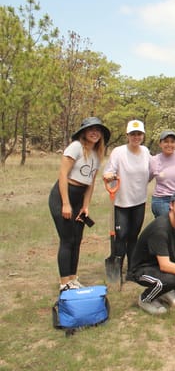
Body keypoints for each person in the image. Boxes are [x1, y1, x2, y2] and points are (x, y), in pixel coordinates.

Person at [49, 117, 110, 291]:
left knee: (77, 240)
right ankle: (64, 283)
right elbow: (63, 175)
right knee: (67, 239)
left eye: (98, 130)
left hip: (79, 200)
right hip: (62, 197)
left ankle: (73, 279)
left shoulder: (97, 154)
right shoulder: (75, 147)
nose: (95, 132)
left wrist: (85, 206)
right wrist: (66, 204)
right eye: (91, 129)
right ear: (83, 132)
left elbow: (90, 183)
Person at [103, 120, 151, 275]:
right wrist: (109, 176)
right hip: (121, 202)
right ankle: (117, 268)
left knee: (133, 236)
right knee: (121, 235)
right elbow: (108, 171)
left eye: (139, 134)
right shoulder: (119, 152)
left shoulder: (145, 152)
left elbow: (153, 170)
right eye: (132, 134)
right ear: (127, 135)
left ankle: (132, 269)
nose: (136, 137)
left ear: (143, 135)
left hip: (139, 201)